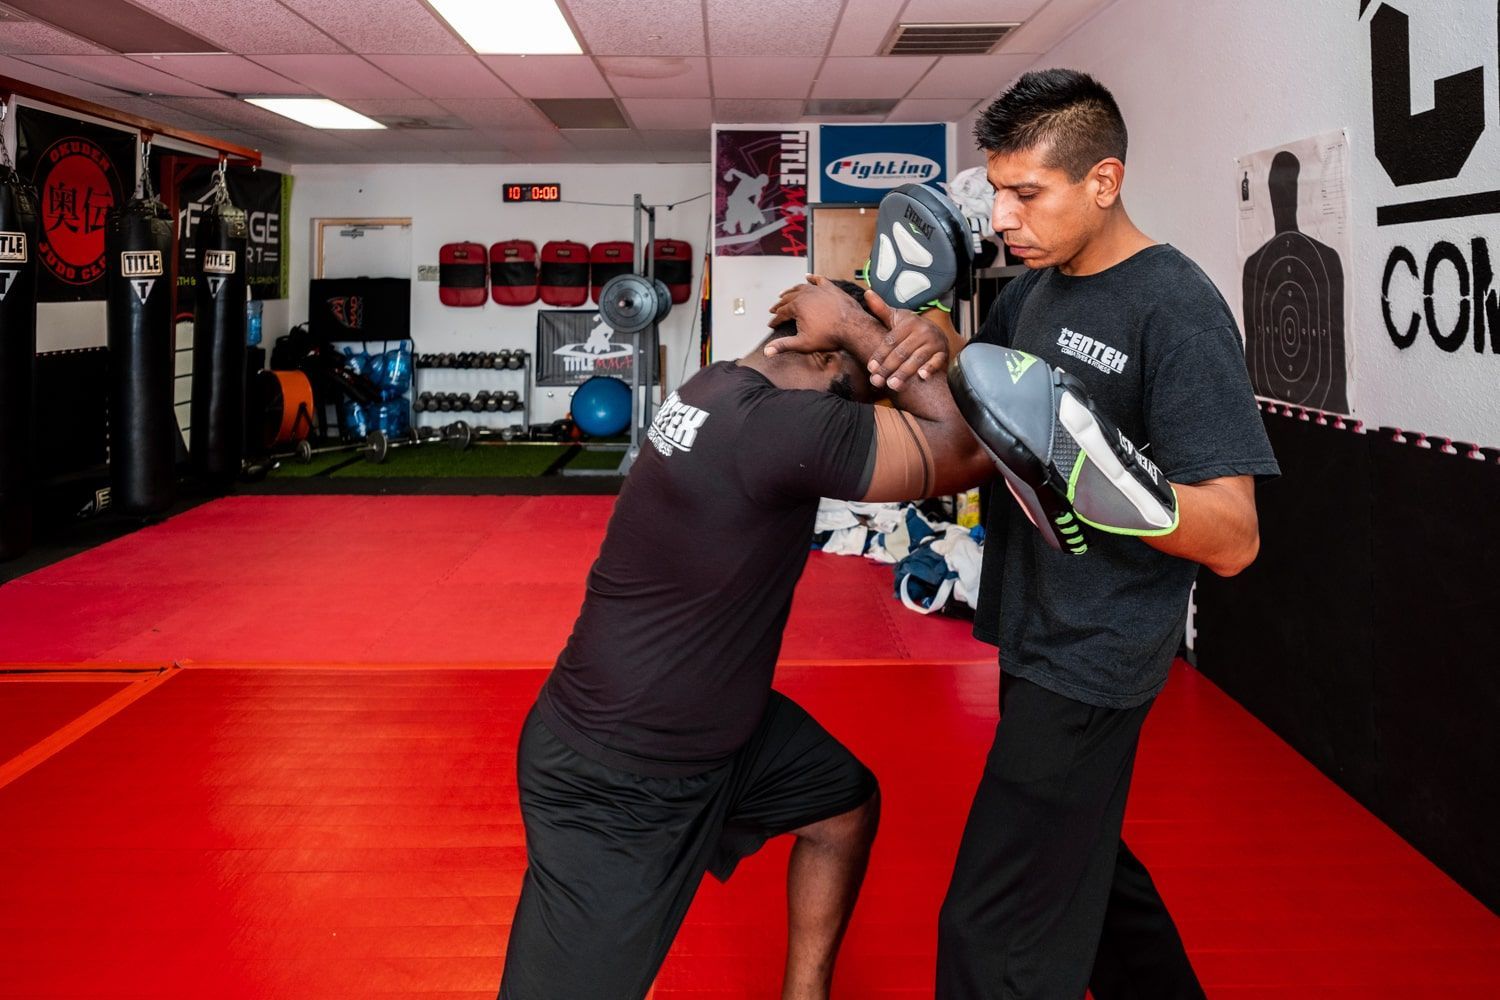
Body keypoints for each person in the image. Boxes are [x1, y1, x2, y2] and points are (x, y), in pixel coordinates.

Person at [773, 68, 1280, 999]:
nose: (1002, 217)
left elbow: (1236, 536)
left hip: (1098, 651)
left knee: (993, 928)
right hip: (1030, 626)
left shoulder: (1174, 307)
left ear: (1104, 180)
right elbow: (982, 425)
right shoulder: (1035, 292)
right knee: (1086, 874)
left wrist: (1111, 481)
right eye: (996, 190)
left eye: (1026, 193)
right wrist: (925, 338)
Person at [500, 281, 990, 1000]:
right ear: (825, 357)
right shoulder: (781, 428)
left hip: (711, 734)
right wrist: (861, 327)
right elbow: (967, 454)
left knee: (841, 804)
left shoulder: (719, 385)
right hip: (620, 776)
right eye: (870, 384)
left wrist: (899, 336)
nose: (880, 395)